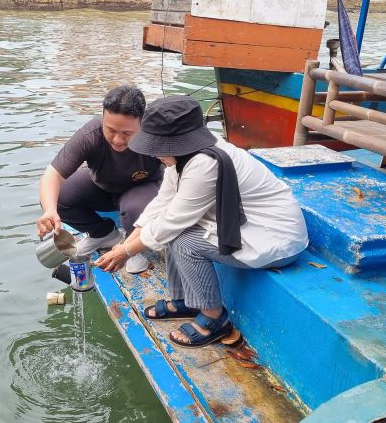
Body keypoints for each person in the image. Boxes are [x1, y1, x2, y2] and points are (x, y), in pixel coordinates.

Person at [96, 96, 309, 347]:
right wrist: (124, 246)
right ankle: (186, 299)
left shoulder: (205, 163)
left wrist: (125, 252)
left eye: (157, 146)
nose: (153, 152)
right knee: (174, 232)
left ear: (175, 142)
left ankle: (214, 319)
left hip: (275, 239)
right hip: (243, 226)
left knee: (184, 240)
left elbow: (172, 221)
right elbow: (162, 203)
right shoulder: (186, 155)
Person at [36, 85, 163, 268]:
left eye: (127, 133)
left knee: (135, 209)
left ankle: (132, 247)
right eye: (110, 130)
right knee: (56, 198)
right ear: (103, 118)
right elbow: (51, 175)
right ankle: (103, 233)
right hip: (103, 186)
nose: (118, 140)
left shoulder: (155, 137)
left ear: (142, 123)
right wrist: (49, 211)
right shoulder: (90, 134)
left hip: (141, 189)